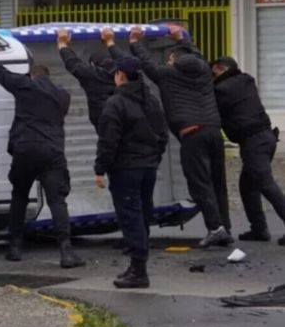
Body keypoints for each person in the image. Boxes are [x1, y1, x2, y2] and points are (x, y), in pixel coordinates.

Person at [0, 41, 85, 268]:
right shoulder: (62, 96)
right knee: (57, 201)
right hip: (52, 151)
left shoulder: (25, 86)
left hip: (25, 150)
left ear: (32, 76)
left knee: (19, 196)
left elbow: (1, 74)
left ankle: (15, 247)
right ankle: (66, 252)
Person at [129, 25, 233, 248]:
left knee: (200, 184)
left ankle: (215, 228)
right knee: (218, 182)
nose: (167, 63)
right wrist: (181, 38)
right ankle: (225, 227)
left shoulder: (168, 75)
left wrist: (135, 42)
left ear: (174, 62)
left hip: (192, 134)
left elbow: (147, 65)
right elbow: (195, 54)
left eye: (169, 60)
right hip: (214, 131)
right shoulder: (204, 70)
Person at [94, 56, 169, 288]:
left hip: (126, 168)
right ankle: (138, 265)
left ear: (120, 75)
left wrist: (100, 169)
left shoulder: (116, 103)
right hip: (147, 167)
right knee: (143, 213)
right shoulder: (151, 100)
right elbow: (163, 134)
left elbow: (109, 140)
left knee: (131, 215)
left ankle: (138, 271)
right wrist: (154, 159)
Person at [210, 56, 285, 246]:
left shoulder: (222, 89)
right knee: (248, 185)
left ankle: (260, 229)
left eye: (213, 72)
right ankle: (259, 229)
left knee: (266, 185)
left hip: (254, 141)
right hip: (266, 138)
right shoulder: (246, 81)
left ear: (220, 69)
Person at [56, 28, 117, 132]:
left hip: (105, 123)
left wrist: (62, 44)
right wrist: (110, 42)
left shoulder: (94, 77)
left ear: (93, 64)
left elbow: (74, 64)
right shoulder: (124, 73)